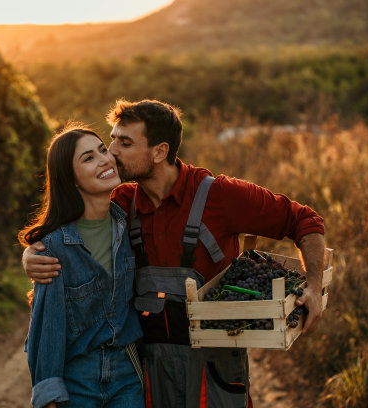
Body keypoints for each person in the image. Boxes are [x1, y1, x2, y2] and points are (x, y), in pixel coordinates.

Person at [23, 100, 326, 408]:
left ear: (159, 152)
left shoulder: (220, 196)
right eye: (112, 139)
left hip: (215, 369)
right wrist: (33, 252)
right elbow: (73, 221)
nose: (112, 152)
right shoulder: (121, 204)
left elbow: (303, 220)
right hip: (152, 373)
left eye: (124, 143)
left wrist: (313, 286)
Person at [19, 126, 144, 408]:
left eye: (102, 150)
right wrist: (48, 395)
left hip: (129, 375)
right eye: (88, 158)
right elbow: (46, 329)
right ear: (71, 179)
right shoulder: (54, 247)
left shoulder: (132, 225)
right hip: (77, 379)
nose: (104, 160)